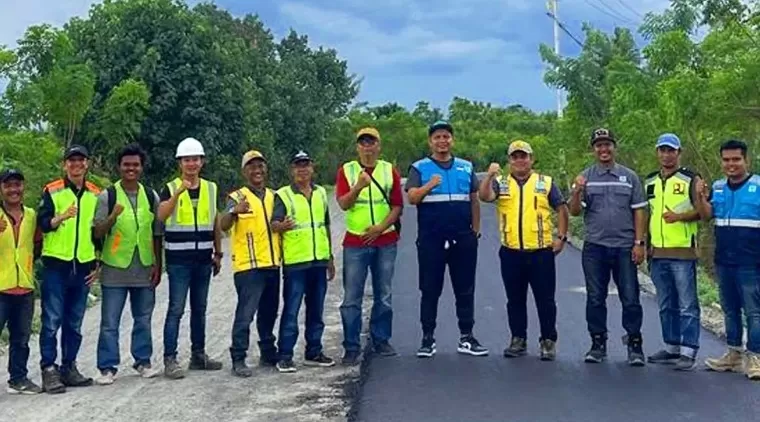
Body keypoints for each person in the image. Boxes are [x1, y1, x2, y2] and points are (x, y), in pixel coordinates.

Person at [478, 140, 569, 361]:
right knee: (515, 299)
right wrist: (489, 176)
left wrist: (562, 237)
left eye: (524, 156)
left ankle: (548, 341)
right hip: (511, 252)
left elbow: (561, 208)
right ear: (509, 160)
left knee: (545, 300)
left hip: (540, 252)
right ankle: (518, 339)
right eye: (515, 156)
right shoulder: (502, 183)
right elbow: (484, 196)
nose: (520, 160)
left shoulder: (545, 182)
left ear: (531, 158)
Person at [405, 120, 488, 358]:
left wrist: (476, 230)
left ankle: (466, 337)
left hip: (463, 238)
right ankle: (427, 338)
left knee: (465, 288)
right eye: (437, 137)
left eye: (446, 137)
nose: (442, 141)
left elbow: (473, 199)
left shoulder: (465, 167)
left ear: (452, 140)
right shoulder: (420, 168)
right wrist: (428, 186)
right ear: (430, 141)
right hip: (432, 239)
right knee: (430, 289)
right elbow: (412, 198)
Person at [567, 128, 648, 366]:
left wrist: (639, 243)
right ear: (593, 149)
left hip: (624, 247)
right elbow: (574, 211)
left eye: (607, 144)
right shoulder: (585, 177)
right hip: (595, 247)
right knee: (595, 298)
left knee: (631, 298)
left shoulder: (629, 177)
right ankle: (597, 344)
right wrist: (577, 190)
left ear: (614, 147)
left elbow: (640, 211)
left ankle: (635, 345)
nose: (603, 149)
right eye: (598, 145)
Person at [92, 144, 163, 385]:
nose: (131, 168)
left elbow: (156, 233)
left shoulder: (151, 195)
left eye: (135, 164)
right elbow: (98, 232)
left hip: (143, 266)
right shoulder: (107, 196)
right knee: (110, 322)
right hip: (114, 268)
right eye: (126, 164)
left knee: (143, 318)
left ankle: (143, 361)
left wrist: (157, 264)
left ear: (141, 168)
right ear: (119, 167)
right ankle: (107, 367)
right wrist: (112, 217)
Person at [157, 137, 224, 379]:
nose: (192, 164)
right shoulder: (170, 186)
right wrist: (178, 193)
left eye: (195, 159)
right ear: (180, 163)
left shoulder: (211, 188)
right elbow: (162, 215)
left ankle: (198, 355)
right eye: (187, 160)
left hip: (203, 258)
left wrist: (218, 252)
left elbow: (215, 221)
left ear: (202, 162)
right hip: (178, 260)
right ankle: (170, 359)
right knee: (176, 309)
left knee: (200, 309)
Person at [336, 127, 403, 366]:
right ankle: (351, 346)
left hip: (385, 240)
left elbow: (397, 206)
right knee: (351, 297)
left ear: (378, 146)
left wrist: (380, 227)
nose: (367, 147)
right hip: (355, 242)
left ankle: (381, 339)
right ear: (357, 147)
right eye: (363, 143)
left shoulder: (388, 170)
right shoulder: (347, 170)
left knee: (383, 294)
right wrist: (358, 187)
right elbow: (343, 204)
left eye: (371, 143)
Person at [37, 144, 101, 393]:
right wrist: (60, 217)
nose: (76, 165)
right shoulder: (53, 190)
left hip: (83, 266)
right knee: (51, 320)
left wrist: (99, 262)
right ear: (65, 165)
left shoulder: (95, 194)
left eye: (81, 160)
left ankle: (69, 367)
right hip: (56, 265)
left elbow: (97, 234)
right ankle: (49, 369)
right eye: (72, 161)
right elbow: (43, 224)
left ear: (87, 164)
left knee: (74, 322)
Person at [695, 139, 760, 380]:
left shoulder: (758, 186)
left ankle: (756, 358)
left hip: (751, 262)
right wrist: (701, 197)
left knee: (754, 312)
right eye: (726, 160)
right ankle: (734, 355)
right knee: (730, 310)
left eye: (736, 159)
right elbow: (707, 216)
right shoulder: (719, 187)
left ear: (746, 160)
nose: (731, 164)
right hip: (724, 260)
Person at [271, 150, 336, 373]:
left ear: (312, 168)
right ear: (292, 170)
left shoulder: (319, 194)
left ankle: (314, 351)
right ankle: (285, 355)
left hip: (318, 260)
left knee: (316, 309)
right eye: (298, 165)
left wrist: (330, 257)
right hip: (296, 262)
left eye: (306, 165)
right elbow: (274, 224)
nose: (302, 169)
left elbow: (325, 225)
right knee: (292, 309)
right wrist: (282, 226)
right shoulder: (284, 195)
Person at [643, 134, 702, 371]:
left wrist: (679, 217)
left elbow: (703, 211)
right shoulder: (649, 181)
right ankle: (671, 346)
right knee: (666, 303)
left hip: (683, 252)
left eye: (671, 151)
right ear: (657, 152)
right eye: (662, 150)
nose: (666, 155)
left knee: (687, 303)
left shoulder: (690, 179)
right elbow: (647, 215)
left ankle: (688, 351)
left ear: (679, 153)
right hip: (657, 252)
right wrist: (644, 244)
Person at [220, 150, 282, 377]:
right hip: (248, 267)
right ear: (244, 171)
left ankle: (268, 352)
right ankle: (238, 357)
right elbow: (223, 225)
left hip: (272, 263)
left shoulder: (275, 196)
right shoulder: (237, 197)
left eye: (260, 166)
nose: (257, 170)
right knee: (245, 314)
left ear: (265, 169)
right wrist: (234, 212)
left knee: (269, 312)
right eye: (251, 167)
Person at [0, 169, 43, 394]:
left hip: (24, 286)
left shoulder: (32, 215)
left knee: (21, 338)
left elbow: (37, 244)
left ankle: (18, 378)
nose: (13, 190)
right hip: (0, 287)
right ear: (1, 189)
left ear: (23, 187)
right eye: (8, 185)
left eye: (17, 185)